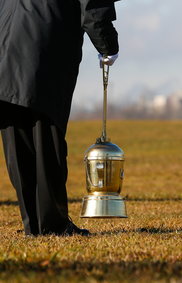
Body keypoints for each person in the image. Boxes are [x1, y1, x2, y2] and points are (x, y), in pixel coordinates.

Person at [0, 0, 120, 236]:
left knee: (17, 140)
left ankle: (33, 224)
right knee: (47, 140)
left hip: (5, 45)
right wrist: (108, 46)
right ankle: (52, 225)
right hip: (44, 45)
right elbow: (93, 6)